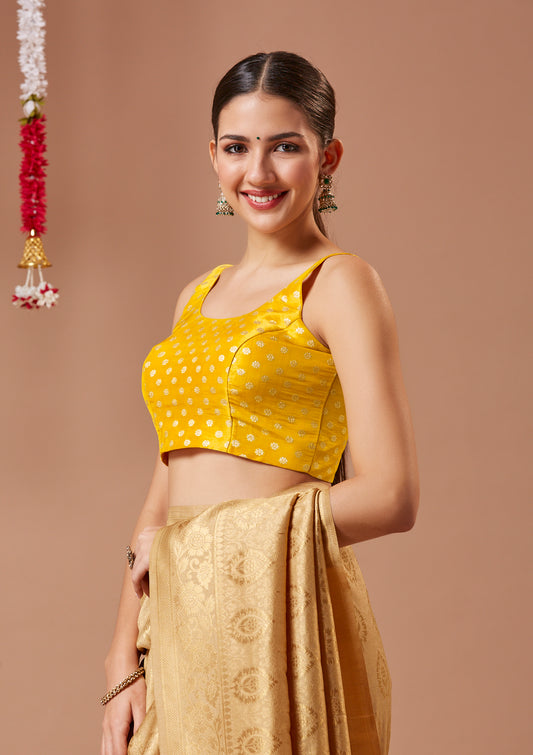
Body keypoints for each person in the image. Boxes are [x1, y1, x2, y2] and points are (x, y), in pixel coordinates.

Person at [101, 51, 419, 755]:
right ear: (213, 157)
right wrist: (122, 657)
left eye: (285, 147)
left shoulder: (338, 284)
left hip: (278, 619)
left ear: (328, 157)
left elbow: (391, 496)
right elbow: (162, 497)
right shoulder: (196, 296)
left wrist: (196, 542)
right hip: (175, 622)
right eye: (237, 147)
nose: (259, 172)